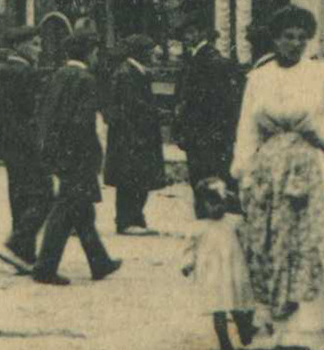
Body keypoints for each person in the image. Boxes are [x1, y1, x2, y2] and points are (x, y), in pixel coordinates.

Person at [232, 4, 324, 350]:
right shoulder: (260, 78)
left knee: (306, 243)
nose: (294, 43)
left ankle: (305, 328)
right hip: (268, 172)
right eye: (287, 37)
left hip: (307, 172)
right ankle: (272, 326)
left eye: (300, 38)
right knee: (268, 241)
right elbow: (247, 126)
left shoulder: (322, 75)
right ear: (275, 39)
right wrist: (243, 170)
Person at [27, 27, 122, 286]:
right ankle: (45, 268)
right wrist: (92, 155)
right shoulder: (85, 80)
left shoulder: (58, 75)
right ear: (90, 53)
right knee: (65, 210)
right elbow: (83, 124)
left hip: (57, 153)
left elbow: (43, 115)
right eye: (95, 52)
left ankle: (99, 262)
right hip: (78, 156)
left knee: (82, 211)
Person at [0, 25, 51, 270]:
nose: (40, 49)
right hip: (25, 146)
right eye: (35, 44)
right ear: (20, 46)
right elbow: (29, 115)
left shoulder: (7, 70)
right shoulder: (22, 73)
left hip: (10, 146)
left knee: (21, 197)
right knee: (44, 194)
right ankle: (18, 245)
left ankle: (24, 253)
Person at [181, 177, 256, 350]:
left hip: (234, 269)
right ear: (201, 204)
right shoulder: (198, 227)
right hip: (212, 273)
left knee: (239, 305)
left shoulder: (233, 221)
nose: (217, 207)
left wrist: (251, 253)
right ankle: (224, 342)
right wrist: (188, 264)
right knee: (219, 308)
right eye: (211, 203)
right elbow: (189, 248)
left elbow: (247, 238)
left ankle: (245, 330)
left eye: (221, 202)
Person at [105, 34, 165, 236]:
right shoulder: (127, 74)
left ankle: (135, 218)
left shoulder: (134, 72)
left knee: (137, 179)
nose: (154, 55)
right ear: (140, 53)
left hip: (137, 136)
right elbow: (130, 109)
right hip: (132, 137)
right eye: (150, 50)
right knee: (130, 179)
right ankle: (127, 220)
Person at [176, 26, 243, 194]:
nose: (186, 36)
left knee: (205, 176)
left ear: (201, 33)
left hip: (204, 130)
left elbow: (216, 100)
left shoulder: (207, 60)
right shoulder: (198, 58)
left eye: (190, 32)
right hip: (203, 130)